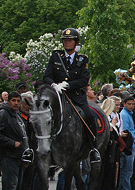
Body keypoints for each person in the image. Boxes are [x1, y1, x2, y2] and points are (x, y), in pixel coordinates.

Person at [42, 28, 100, 162]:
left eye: (70, 40)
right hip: (58, 95)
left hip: (75, 96)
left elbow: (84, 80)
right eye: (65, 40)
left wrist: (68, 85)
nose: (67, 43)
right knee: (40, 115)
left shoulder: (82, 59)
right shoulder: (56, 57)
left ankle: (93, 148)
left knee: (89, 116)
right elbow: (47, 76)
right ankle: (36, 148)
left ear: (76, 42)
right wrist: (54, 85)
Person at [118, 95, 135, 190]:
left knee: (126, 171)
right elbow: (125, 132)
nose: (131, 106)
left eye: (132, 104)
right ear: (124, 104)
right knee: (127, 171)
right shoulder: (124, 115)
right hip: (128, 146)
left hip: (131, 145)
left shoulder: (129, 114)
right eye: (129, 104)